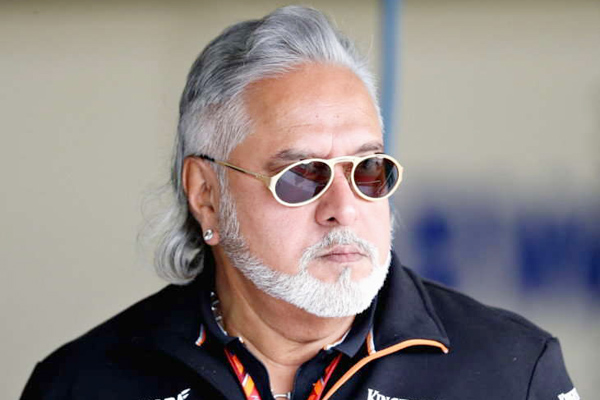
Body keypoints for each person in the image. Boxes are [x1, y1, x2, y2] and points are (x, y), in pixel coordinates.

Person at [20, 5, 579, 400]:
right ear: (207, 196)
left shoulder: (515, 373)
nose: (344, 207)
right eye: (302, 175)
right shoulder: (80, 383)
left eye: (368, 169)